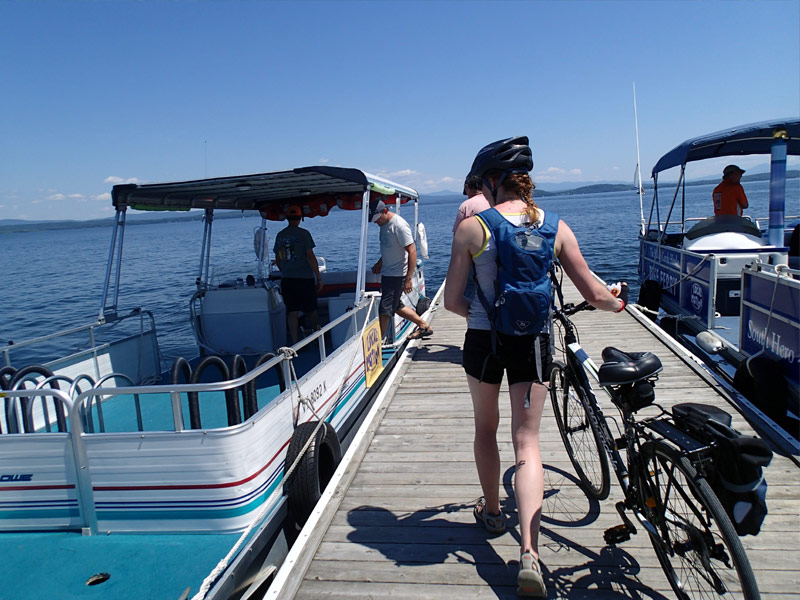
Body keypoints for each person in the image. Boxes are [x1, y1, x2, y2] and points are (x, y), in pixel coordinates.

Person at [443, 136, 627, 597]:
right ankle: (529, 550)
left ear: (489, 181)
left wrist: (486, 318)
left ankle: (491, 512)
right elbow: (594, 294)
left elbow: (450, 301)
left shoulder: (471, 228)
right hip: (534, 341)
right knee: (527, 441)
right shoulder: (557, 226)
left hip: (485, 342)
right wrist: (616, 304)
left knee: (487, 430)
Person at [370, 200, 433, 340]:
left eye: (378, 219)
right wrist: (380, 262)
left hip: (397, 274)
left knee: (385, 309)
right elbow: (389, 247)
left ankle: (378, 344)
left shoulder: (399, 225)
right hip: (387, 272)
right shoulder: (383, 224)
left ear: (385, 211)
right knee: (396, 305)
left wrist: (409, 278)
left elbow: (412, 251)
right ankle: (424, 326)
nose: (376, 222)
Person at [272, 205, 323, 344]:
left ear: (287, 218)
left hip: (287, 279)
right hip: (304, 279)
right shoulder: (304, 234)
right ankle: (317, 337)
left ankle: (295, 341)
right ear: (300, 218)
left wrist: (285, 270)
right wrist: (318, 278)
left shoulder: (280, 235)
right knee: (311, 310)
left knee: (292, 311)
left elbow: (278, 259)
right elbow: (310, 257)